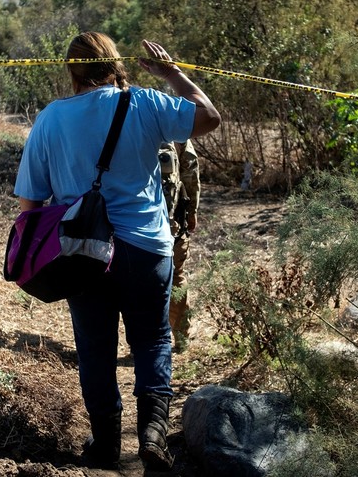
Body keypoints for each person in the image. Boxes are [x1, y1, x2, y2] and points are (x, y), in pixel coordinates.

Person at [13, 32, 220, 470]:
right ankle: (152, 436)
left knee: (94, 347)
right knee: (153, 340)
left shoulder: (50, 119)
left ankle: (105, 445)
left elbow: (30, 205)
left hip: (82, 253)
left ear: (71, 70)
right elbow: (209, 116)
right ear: (115, 64)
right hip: (147, 247)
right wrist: (171, 73)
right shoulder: (144, 102)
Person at [158, 139, 200, 352]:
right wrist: (192, 211)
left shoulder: (124, 123)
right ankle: (181, 337)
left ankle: (142, 344)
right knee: (176, 277)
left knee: (137, 281)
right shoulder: (173, 127)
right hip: (171, 224)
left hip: (132, 225)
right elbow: (190, 171)